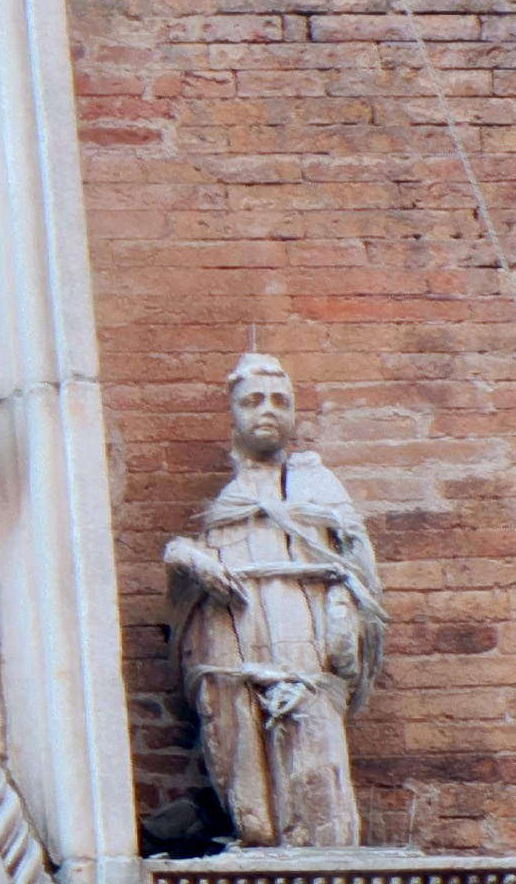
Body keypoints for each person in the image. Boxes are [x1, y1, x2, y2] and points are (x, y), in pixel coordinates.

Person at [164, 352, 385, 848]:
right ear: (234, 414)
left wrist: (344, 620)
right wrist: (185, 558)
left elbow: (356, 567)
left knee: (312, 744)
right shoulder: (226, 503)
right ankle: (257, 837)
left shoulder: (316, 485)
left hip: (302, 631)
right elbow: (186, 607)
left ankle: (317, 852)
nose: (267, 410)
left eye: (280, 401)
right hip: (237, 638)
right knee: (242, 762)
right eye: (253, 401)